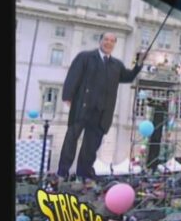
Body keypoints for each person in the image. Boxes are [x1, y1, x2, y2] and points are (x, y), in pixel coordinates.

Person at [57, 32, 142, 182]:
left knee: (91, 145)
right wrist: (68, 96)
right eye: (106, 40)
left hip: (102, 112)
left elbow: (128, 77)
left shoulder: (116, 65)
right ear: (100, 41)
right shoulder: (85, 57)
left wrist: (138, 65)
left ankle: (83, 173)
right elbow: (73, 75)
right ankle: (62, 172)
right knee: (71, 140)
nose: (108, 43)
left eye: (111, 41)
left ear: (114, 44)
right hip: (82, 107)